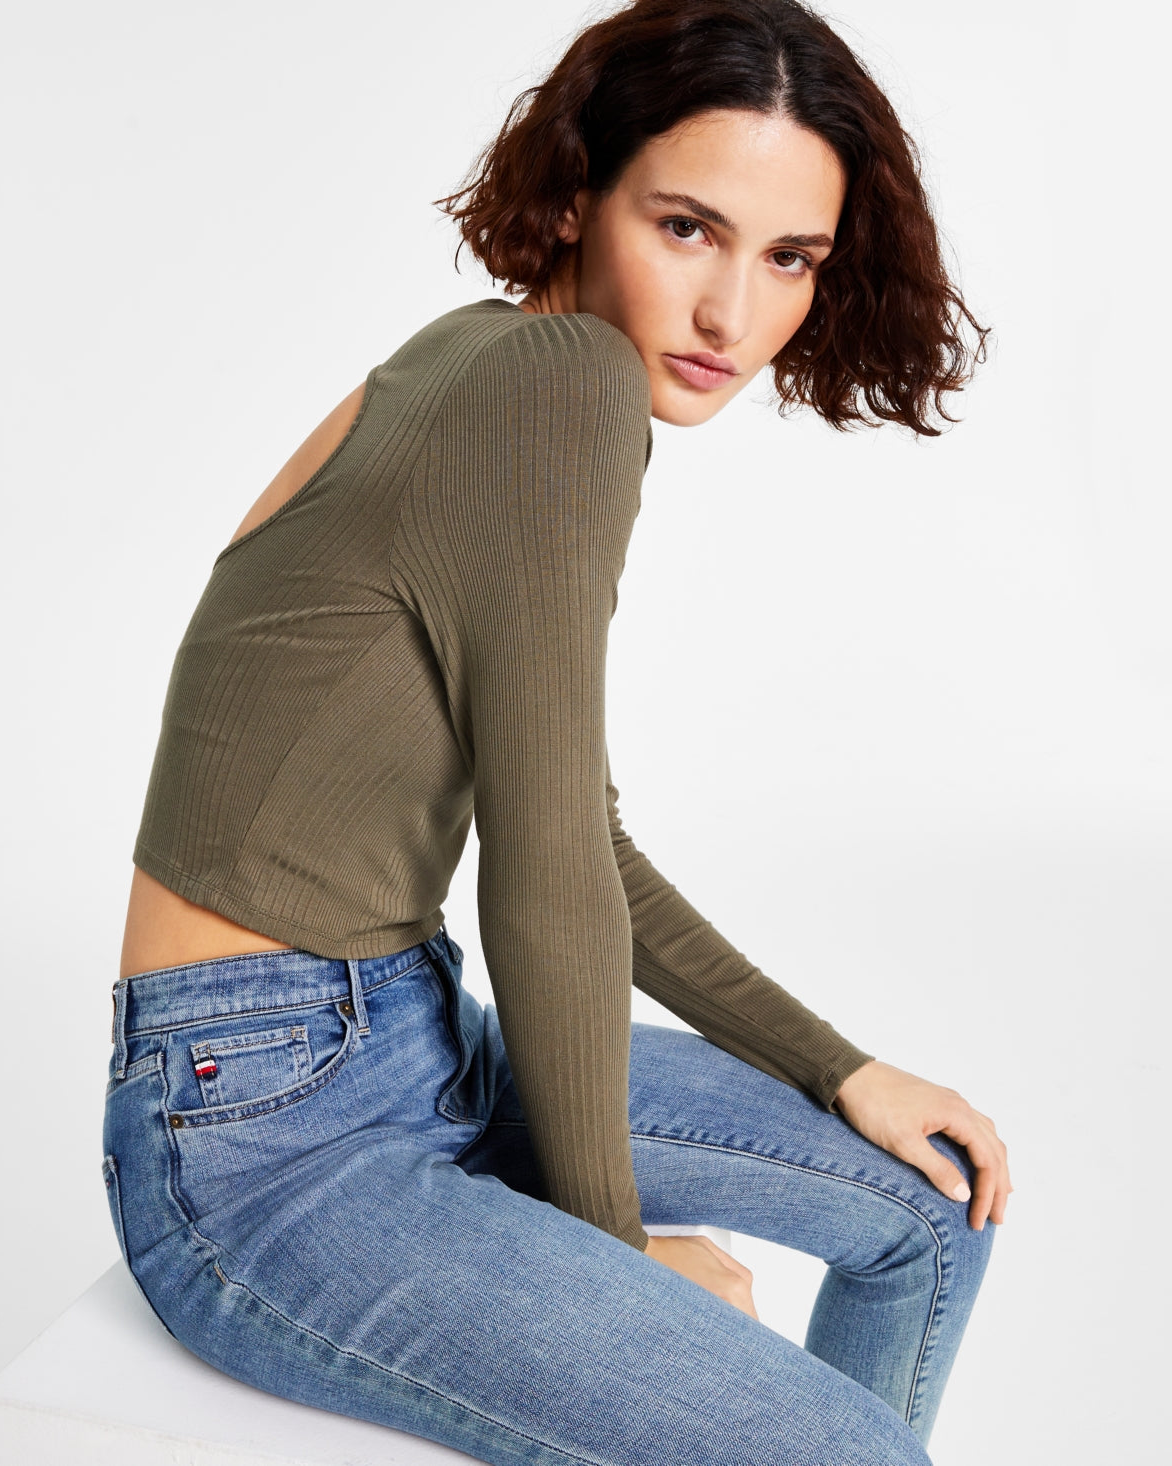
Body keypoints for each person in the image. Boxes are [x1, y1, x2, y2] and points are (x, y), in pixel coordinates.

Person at [102, 2, 1012, 1462]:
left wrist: (841, 1067)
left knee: (932, 1199)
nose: (731, 315)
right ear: (582, 191)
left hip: (403, 1034)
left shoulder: (496, 357)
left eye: (789, 258)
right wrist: (615, 1242)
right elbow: (541, 877)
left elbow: (579, 835)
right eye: (688, 229)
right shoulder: (555, 384)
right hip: (271, 1137)